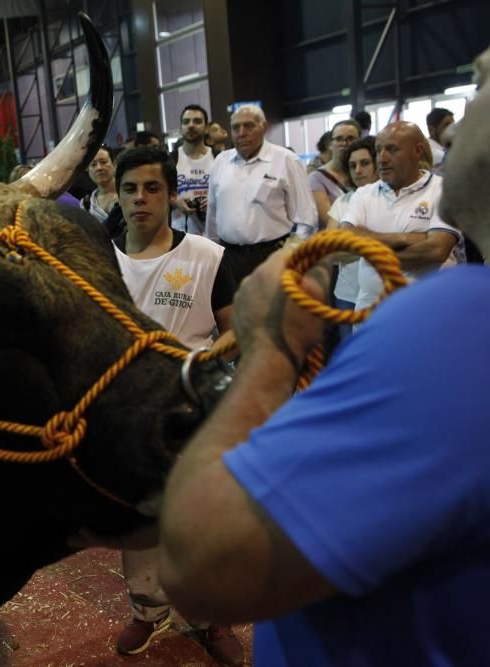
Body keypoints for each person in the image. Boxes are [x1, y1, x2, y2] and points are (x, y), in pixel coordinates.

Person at [156, 45, 490, 667]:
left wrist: (270, 349)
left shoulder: (457, 320)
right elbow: (348, 238)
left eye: (486, 84)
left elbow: (199, 561)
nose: (470, 96)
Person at [107, 146, 241, 665]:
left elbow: (233, 331)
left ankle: (210, 617)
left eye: (152, 188)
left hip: (192, 410)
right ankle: (147, 611)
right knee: (139, 520)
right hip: (124, 414)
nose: (141, 198)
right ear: (117, 195)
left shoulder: (207, 256)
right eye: (130, 189)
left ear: (170, 193)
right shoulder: (99, 257)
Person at [340, 121, 460, 312]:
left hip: (430, 309)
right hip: (371, 313)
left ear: (417, 151)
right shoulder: (364, 194)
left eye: (392, 149)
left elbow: (436, 251)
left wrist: (369, 251)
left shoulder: (443, 189)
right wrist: (407, 238)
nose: (382, 158)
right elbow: (344, 239)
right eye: (379, 150)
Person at [205, 104, 316, 288]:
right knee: (235, 315)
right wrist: (212, 252)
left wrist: (290, 254)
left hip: (272, 256)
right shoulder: (220, 162)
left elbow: (306, 218)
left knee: (273, 314)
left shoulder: (286, 160)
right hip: (228, 258)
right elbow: (212, 213)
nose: (241, 133)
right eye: (235, 128)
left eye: (248, 126)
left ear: (263, 127)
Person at [325, 136, 378, 340]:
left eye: (365, 163)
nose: (358, 170)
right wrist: (373, 245)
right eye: (353, 165)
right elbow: (328, 251)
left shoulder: (388, 199)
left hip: (380, 293)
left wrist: (348, 246)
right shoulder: (342, 201)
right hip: (347, 295)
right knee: (351, 356)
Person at [307, 120, 361, 229]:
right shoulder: (316, 178)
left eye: (351, 139)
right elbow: (328, 221)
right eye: (339, 139)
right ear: (330, 144)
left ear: (360, 141)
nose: (345, 143)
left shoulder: (363, 172)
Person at [171, 104, 215, 235]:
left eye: (197, 121)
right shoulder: (171, 159)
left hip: (214, 235)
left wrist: (214, 203)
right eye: (186, 122)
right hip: (181, 234)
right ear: (181, 127)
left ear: (206, 128)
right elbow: (159, 193)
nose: (191, 125)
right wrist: (175, 202)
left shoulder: (219, 157)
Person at [82, 145, 119, 222]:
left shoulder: (130, 193)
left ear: (114, 164)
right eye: (93, 164)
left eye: (103, 162)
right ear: (87, 169)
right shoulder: (86, 204)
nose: (99, 168)